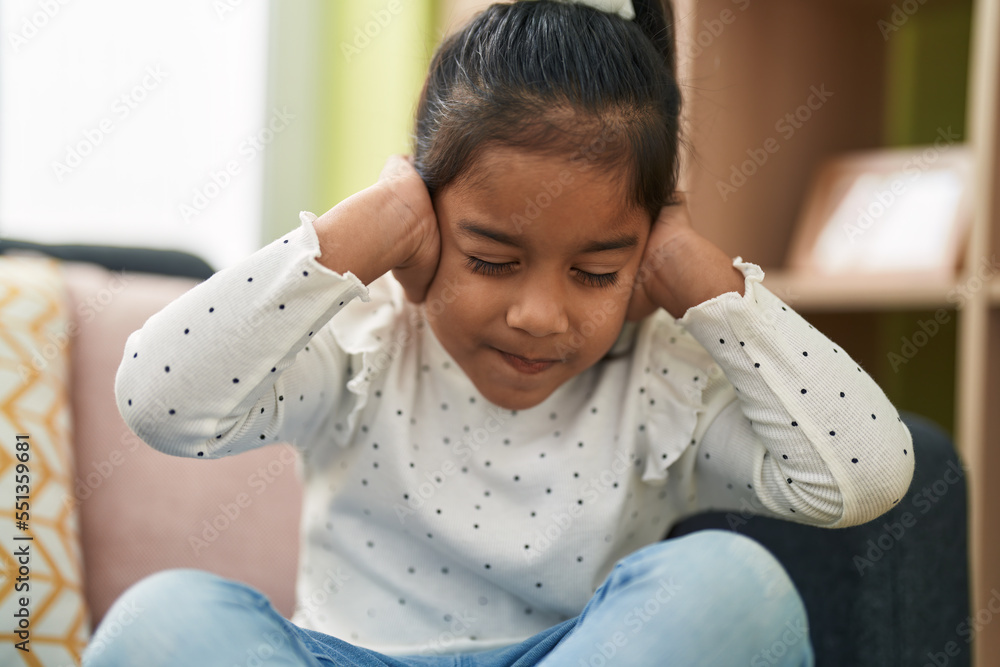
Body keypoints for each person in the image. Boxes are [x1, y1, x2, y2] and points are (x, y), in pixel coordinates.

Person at [83, 0, 914, 664]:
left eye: (594, 271)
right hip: (344, 654)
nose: (540, 315)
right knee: (163, 618)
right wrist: (366, 228)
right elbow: (158, 398)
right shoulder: (367, 345)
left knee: (735, 583)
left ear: (643, 255)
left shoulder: (664, 384)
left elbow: (864, 478)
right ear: (426, 230)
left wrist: (701, 277)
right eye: (489, 259)